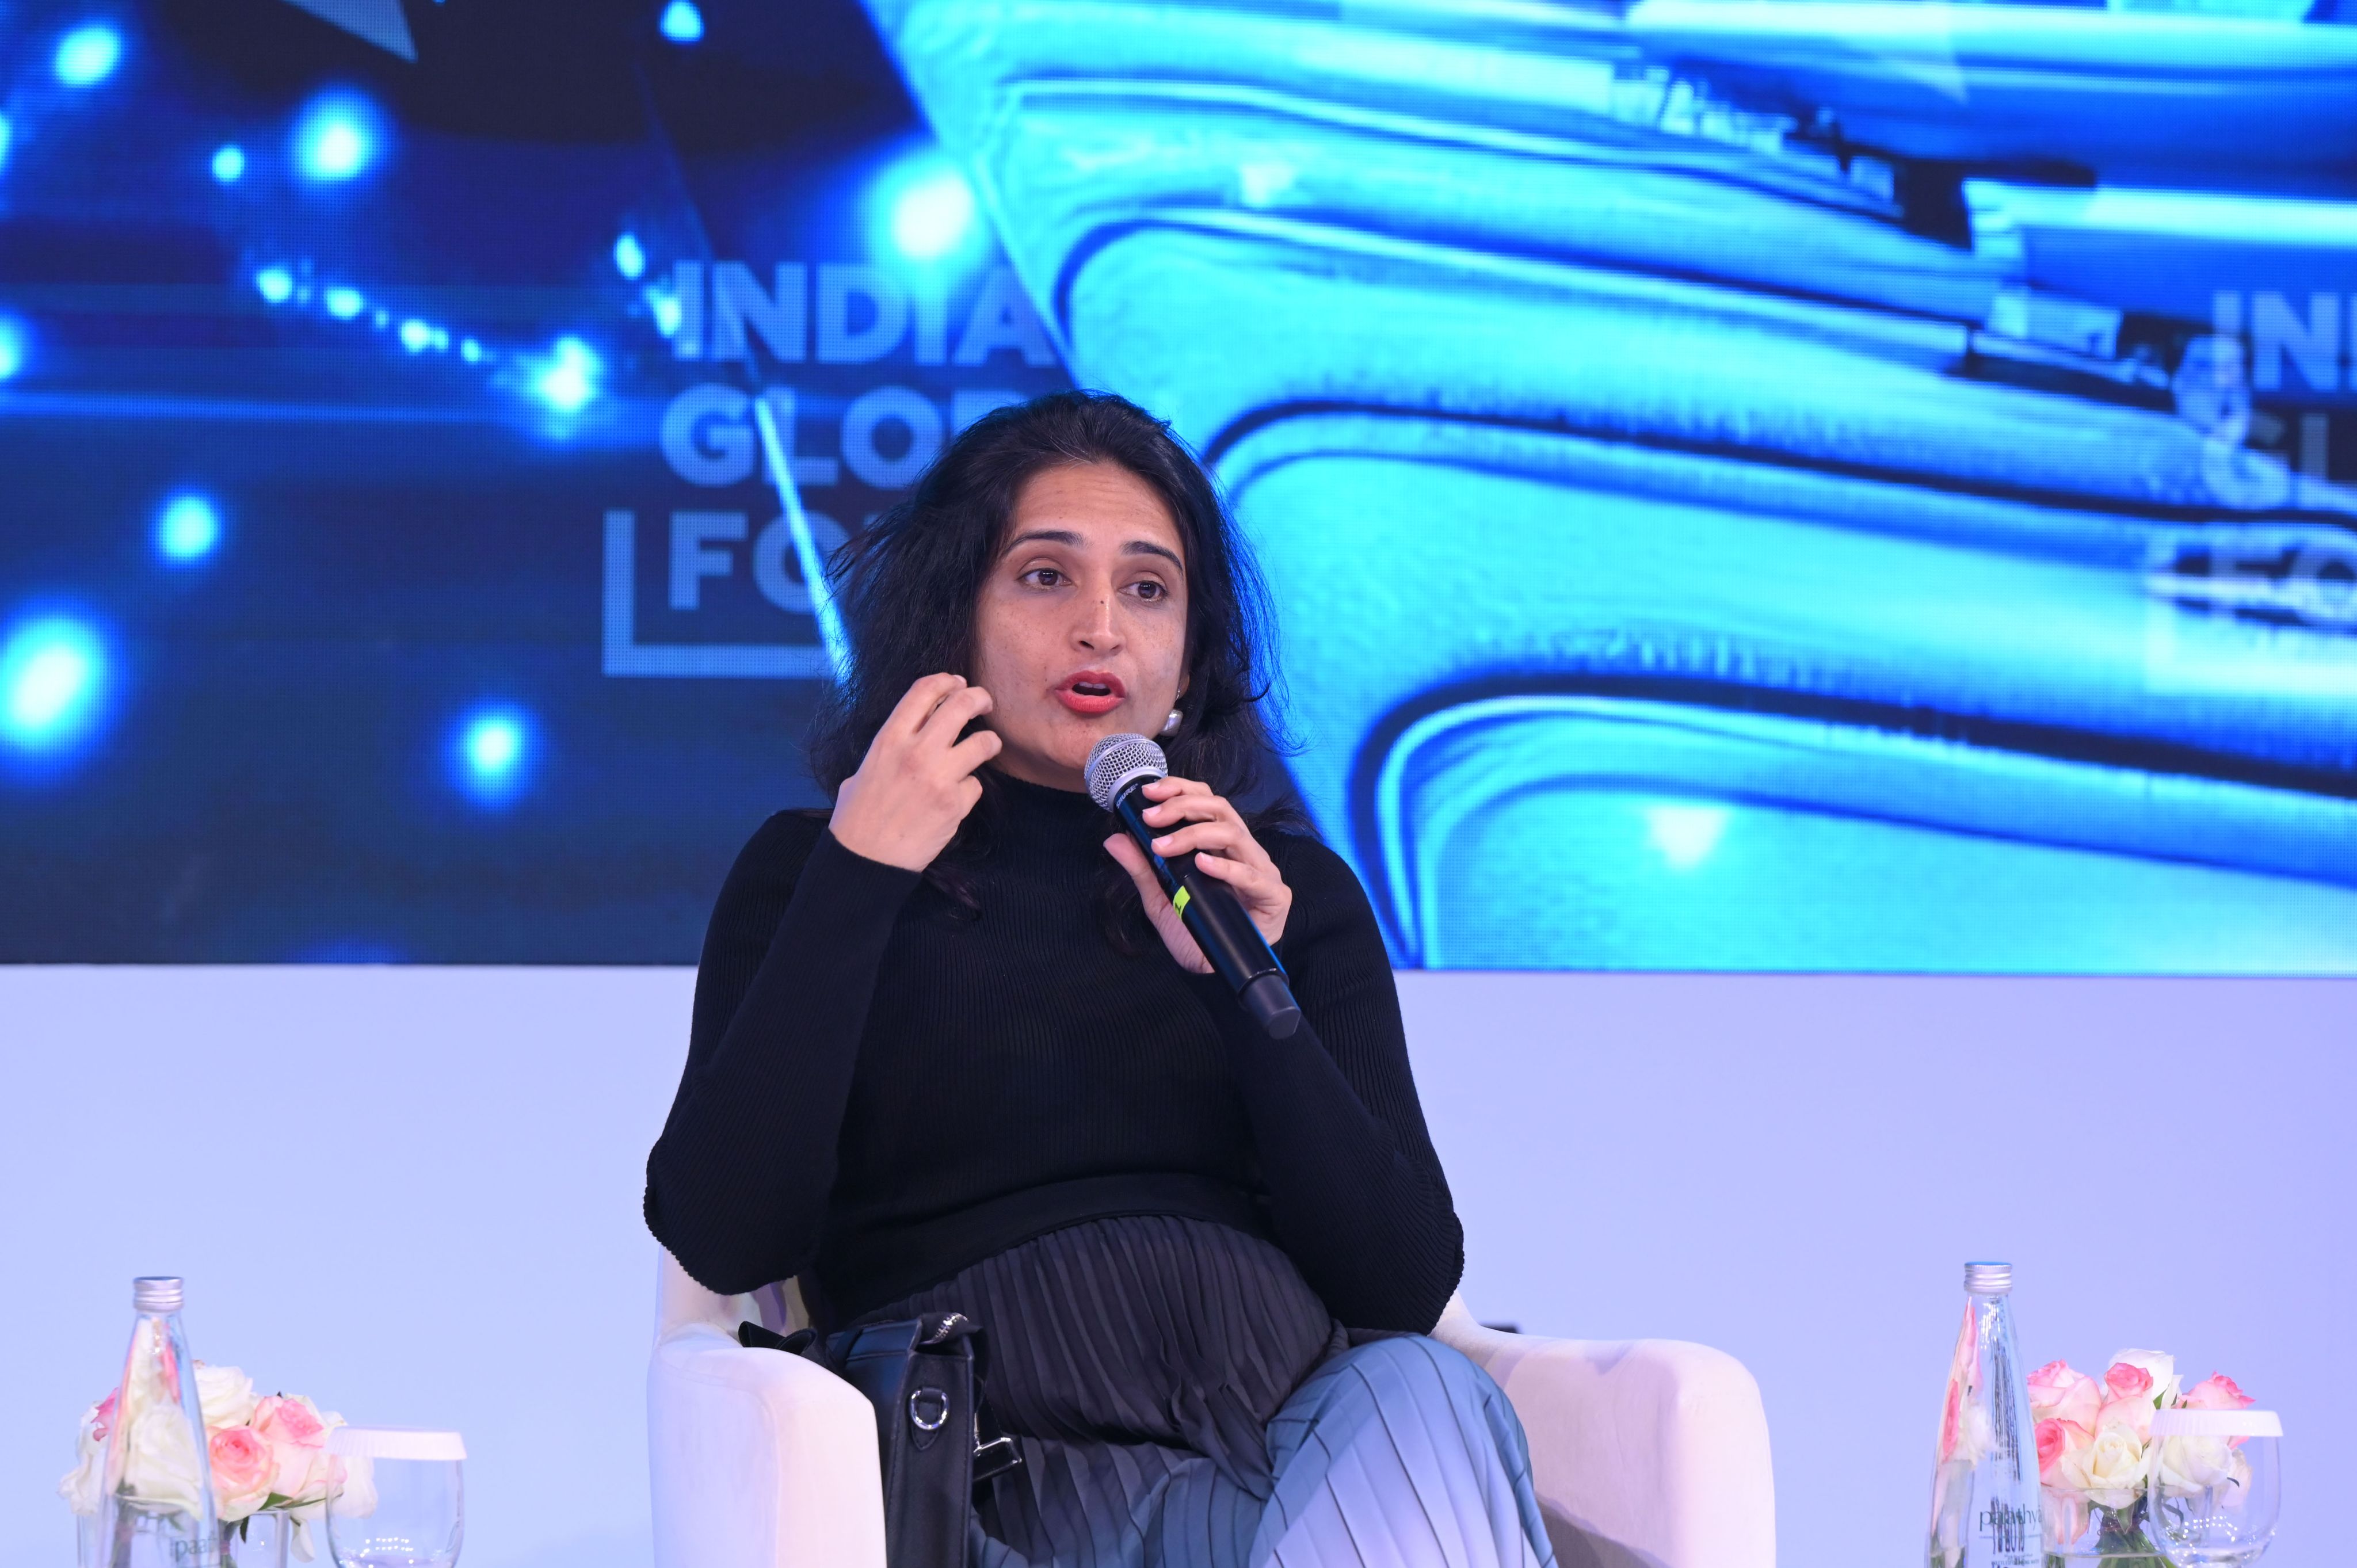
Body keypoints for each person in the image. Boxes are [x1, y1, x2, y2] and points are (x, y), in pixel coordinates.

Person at [644, 390, 1556, 1568]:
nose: (1100, 629)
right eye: (1044, 577)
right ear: (954, 618)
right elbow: (724, 1233)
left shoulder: (1282, 891)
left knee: (1428, 1395)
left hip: (1295, 1441)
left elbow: (1401, 1282)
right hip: (998, 1474)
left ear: (1189, 657)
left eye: (1148, 588)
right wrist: (859, 877)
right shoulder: (816, 872)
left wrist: (1250, 995)